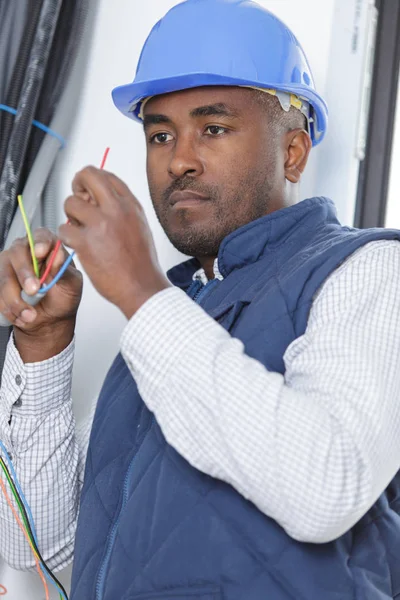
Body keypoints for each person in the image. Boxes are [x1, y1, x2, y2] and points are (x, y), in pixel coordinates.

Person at [1, 0, 400, 598]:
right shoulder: (173, 315)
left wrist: (139, 292)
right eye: (160, 134)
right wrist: (45, 341)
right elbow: (46, 543)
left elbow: (327, 486)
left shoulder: (371, 269)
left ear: (292, 152)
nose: (178, 161)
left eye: (213, 128)